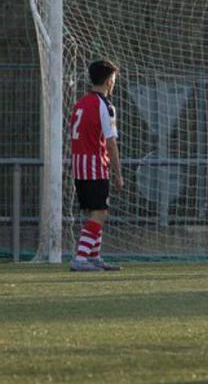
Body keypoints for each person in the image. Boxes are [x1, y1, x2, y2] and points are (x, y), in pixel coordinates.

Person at [68, 59, 124, 272]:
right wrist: (118, 173)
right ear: (109, 80)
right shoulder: (105, 106)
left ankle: (94, 257)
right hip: (94, 165)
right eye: (114, 79)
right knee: (100, 213)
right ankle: (81, 258)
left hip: (79, 165)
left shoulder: (80, 103)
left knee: (96, 211)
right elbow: (110, 143)